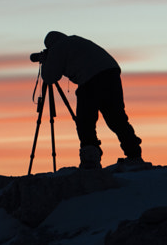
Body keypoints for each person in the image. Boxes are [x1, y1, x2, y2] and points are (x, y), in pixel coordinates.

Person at [39, 31, 142, 169]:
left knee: (85, 122)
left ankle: (90, 159)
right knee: (116, 118)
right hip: (111, 73)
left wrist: (46, 61)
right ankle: (134, 155)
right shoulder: (75, 40)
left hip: (90, 79)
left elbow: (50, 77)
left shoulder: (58, 48)